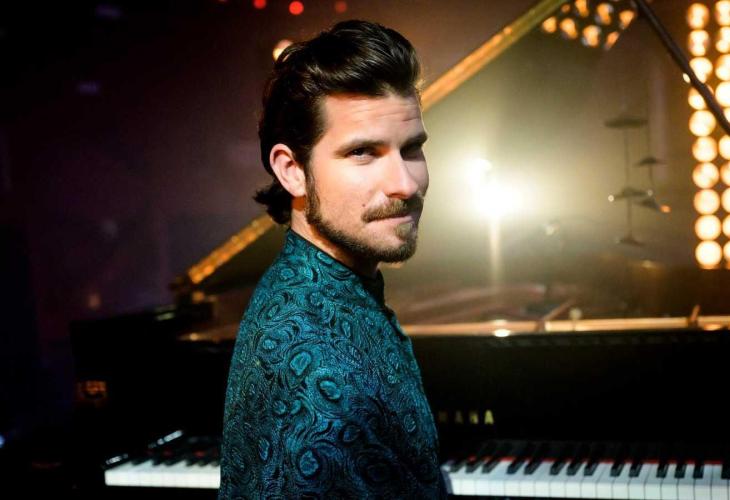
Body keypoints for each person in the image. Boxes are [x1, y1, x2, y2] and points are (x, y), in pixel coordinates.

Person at [219, 19, 446, 499]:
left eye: (412, 149)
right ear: (292, 172)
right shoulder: (323, 379)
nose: (405, 184)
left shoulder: (323, 286)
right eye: (363, 152)